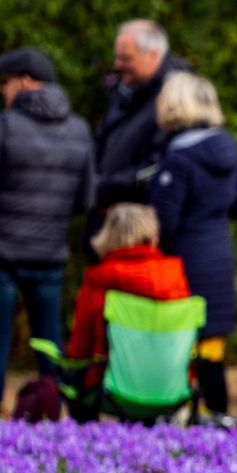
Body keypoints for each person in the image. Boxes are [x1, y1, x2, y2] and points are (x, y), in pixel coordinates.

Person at [0, 47, 94, 402]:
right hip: (52, 253)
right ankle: (52, 418)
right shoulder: (79, 129)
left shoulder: (6, 125)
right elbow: (86, 197)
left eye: (6, 82)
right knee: (50, 344)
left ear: (25, 81)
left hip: (4, 254)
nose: (3, 90)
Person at [151, 73, 237, 422]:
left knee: (181, 344)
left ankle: (179, 414)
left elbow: (166, 222)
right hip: (220, 254)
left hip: (186, 261)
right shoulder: (226, 150)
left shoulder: (178, 158)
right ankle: (219, 413)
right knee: (211, 345)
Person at [65, 204, 191, 418]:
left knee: (71, 377)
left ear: (110, 235)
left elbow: (80, 348)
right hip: (171, 388)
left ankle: (85, 440)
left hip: (112, 389)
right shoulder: (174, 276)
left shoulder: (99, 278)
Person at [93, 20, 183, 219]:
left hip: (138, 220)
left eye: (126, 58)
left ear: (152, 56)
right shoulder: (126, 91)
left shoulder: (174, 99)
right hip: (107, 215)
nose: (118, 65)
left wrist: (102, 186)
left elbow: (156, 167)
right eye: (118, 58)